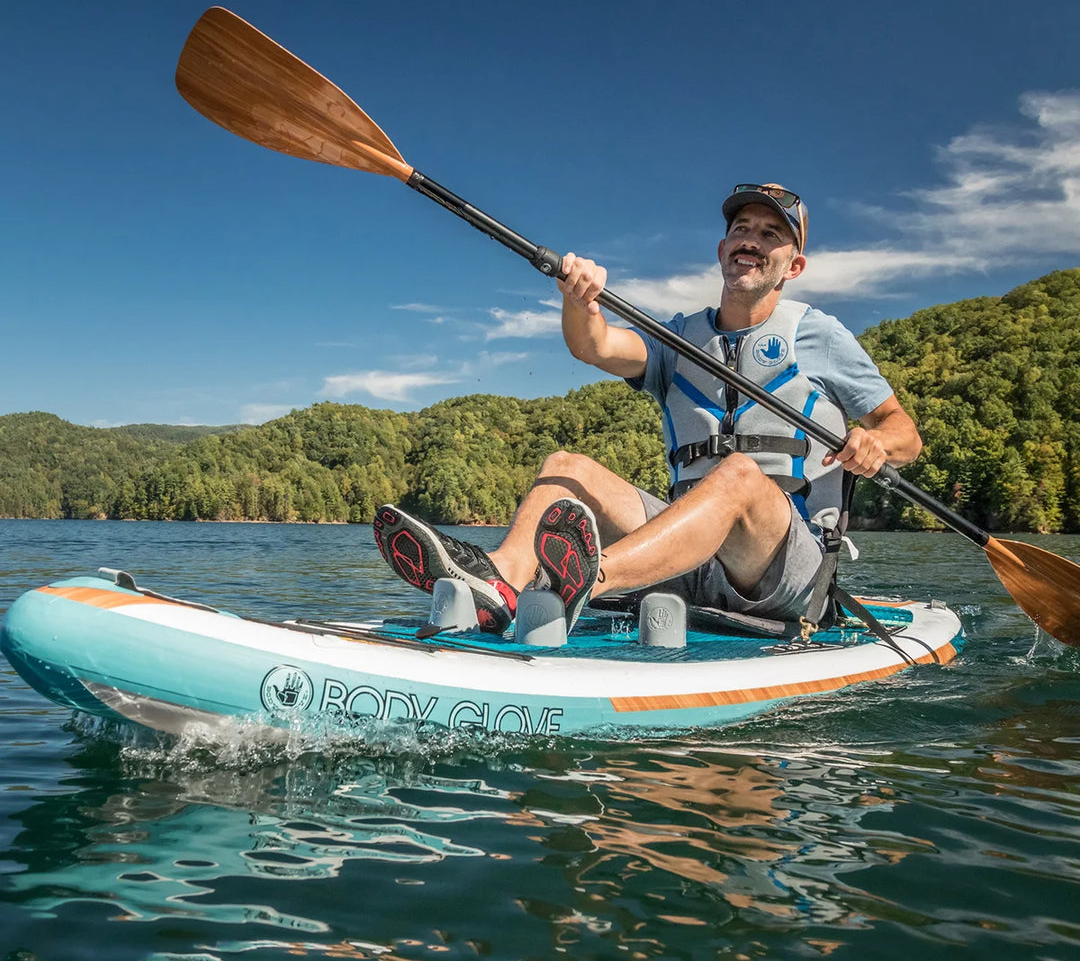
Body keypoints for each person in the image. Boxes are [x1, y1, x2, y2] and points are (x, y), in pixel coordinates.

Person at [374, 182, 922, 635]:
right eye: (741, 229)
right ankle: (498, 583)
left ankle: (591, 577)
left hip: (786, 568)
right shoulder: (678, 339)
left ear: (794, 265)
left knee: (738, 474)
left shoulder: (822, 336)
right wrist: (579, 300)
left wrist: (877, 443)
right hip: (684, 562)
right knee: (564, 467)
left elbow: (904, 433)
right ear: (722, 250)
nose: (750, 241)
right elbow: (593, 346)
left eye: (770, 234)